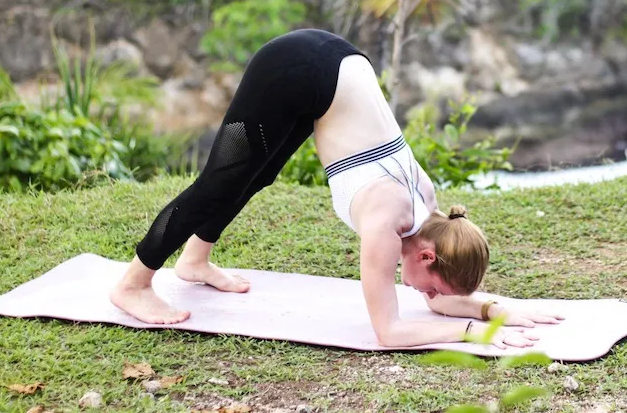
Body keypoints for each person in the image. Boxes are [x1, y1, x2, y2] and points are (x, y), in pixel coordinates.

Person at [110, 28, 563, 348]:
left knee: (257, 173)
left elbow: (439, 305)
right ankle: (133, 284)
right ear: (427, 256)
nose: (428, 298)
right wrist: (472, 333)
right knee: (217, 183)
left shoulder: (430, 210)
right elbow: (390, 332)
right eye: (432, 289)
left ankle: (194, 260)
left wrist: (493, 310)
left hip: (335, 67)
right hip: (296, 67)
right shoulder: (387, 222)